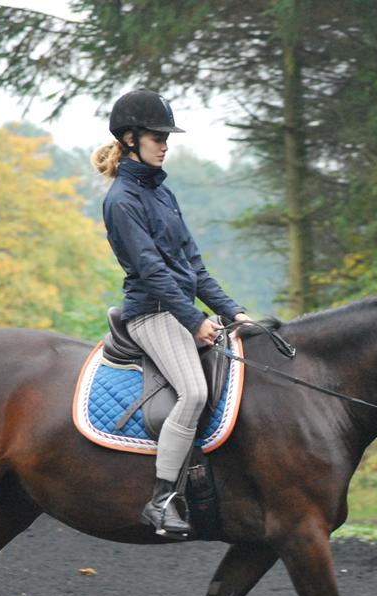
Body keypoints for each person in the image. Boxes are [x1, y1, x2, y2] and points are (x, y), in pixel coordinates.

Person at [92, 88, 249, 539]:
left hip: (178, 305)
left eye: (166, 136)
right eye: (157, 136)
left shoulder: (162, 193)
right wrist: (195, 320)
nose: (165, 144)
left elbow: (192, 267)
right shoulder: (121, 200)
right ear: (129, 138)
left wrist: (233, 312)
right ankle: (161, 501)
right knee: (195, 393)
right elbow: (154, 272)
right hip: (151, 312)